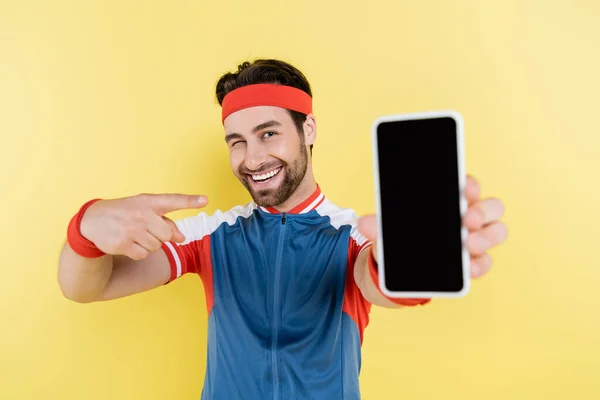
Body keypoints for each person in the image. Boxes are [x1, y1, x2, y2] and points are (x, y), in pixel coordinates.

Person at [57, 58, 507, 399]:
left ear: (307, 128)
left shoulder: (352, 235)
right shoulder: (210, 235)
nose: (252, 159)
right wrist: (86, 228)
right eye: (237, 142)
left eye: (268, 133)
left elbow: (377, 280)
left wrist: (409, 259)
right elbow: (89, 287)